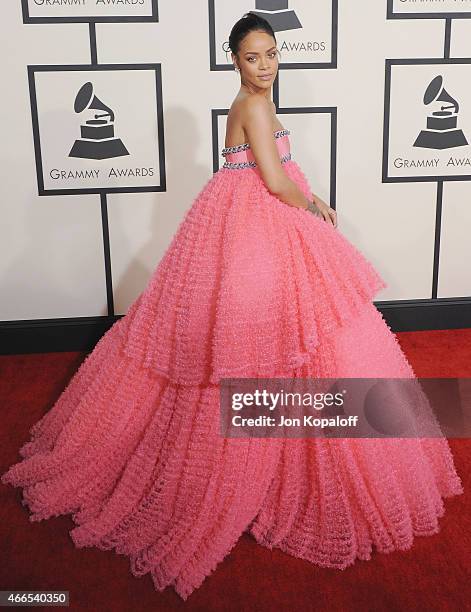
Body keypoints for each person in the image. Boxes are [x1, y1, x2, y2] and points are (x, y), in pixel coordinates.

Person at [1, 12, 463, 602]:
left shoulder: (247, 103)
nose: (266, 66)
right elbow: (272, 181)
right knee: (286, 338)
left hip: (243, 223)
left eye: (272, 54)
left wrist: (312, 194)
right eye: (253, 57)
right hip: (257, 227)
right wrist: (311, 209)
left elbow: (277, 170)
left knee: (282, 337)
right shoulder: (255, 106)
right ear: (234, 60)